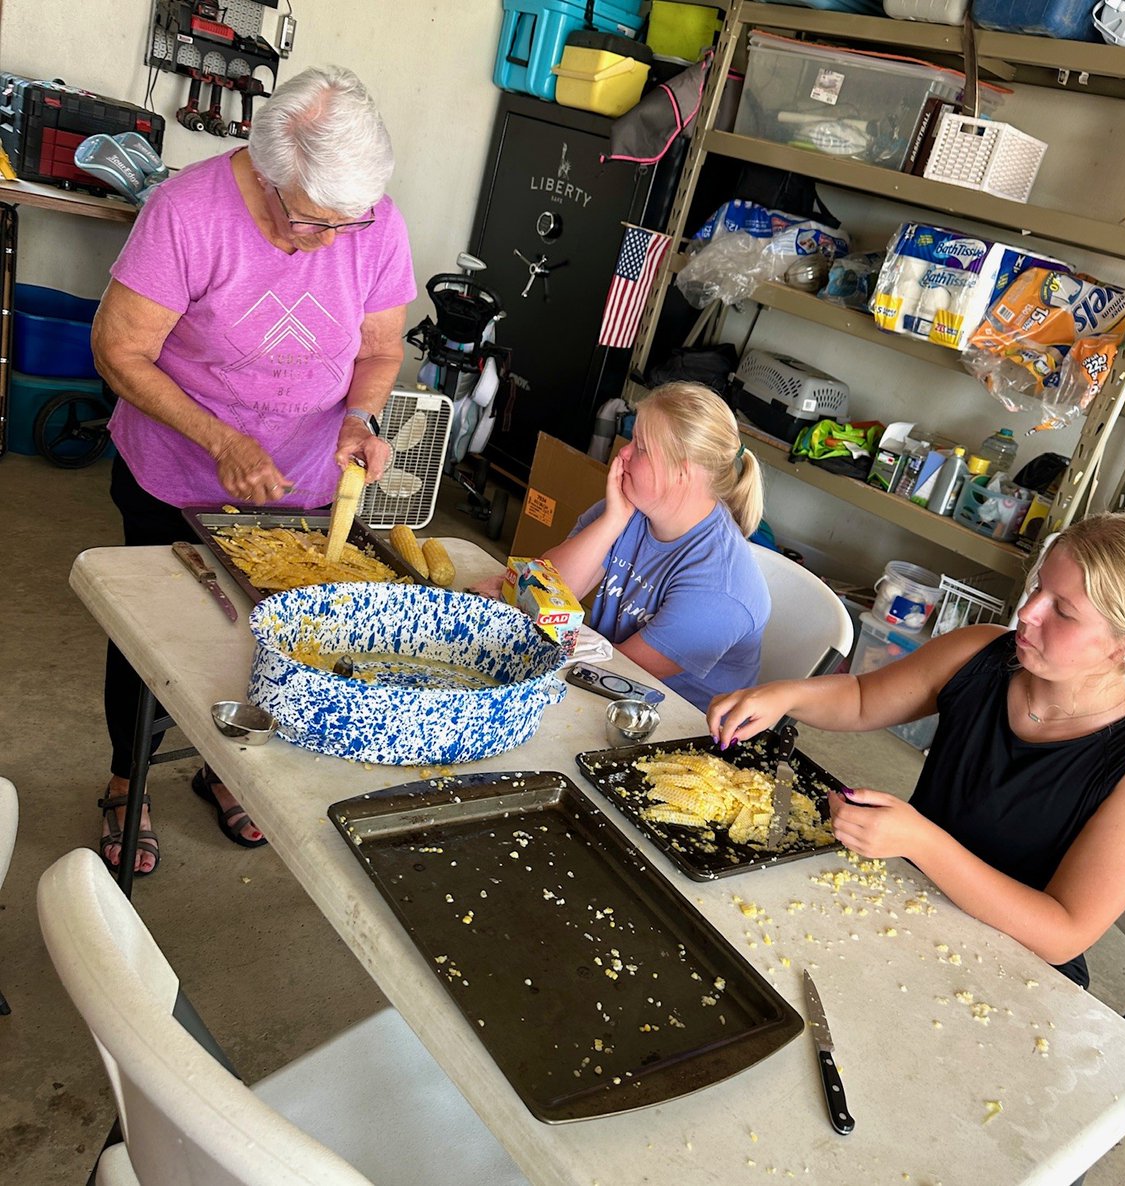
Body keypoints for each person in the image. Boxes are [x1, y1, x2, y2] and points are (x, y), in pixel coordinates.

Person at [91, 65, 416, 876]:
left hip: (301, 486)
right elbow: (119, 350)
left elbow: (379, 348)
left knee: (266, 635)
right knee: (156, 639)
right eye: (313, 224)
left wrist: (360, 416)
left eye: (349, 225)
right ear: (266, 175)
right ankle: (128, 780)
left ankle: (221, 765)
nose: (330, 242)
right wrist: (221, 441)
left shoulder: (370, 223)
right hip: (176, 469)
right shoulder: (186, 214)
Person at [708, 514, 1125, 987]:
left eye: (1063, 610)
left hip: (1016, 968)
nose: (1027, 613)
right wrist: (787, 694)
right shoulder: (981, 653)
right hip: (903, 898)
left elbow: (1063, 933)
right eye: (1038, 589)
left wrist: (921, 842)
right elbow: (861, 699)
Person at [480, 382, 770, 710]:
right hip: (609, 691)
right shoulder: (635, 507)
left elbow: (620, 671)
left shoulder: (722, 587)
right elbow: (546, 591)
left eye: (641, 447)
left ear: (682, 474)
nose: (624, 453)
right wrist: (612, 521)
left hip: (668, 724)